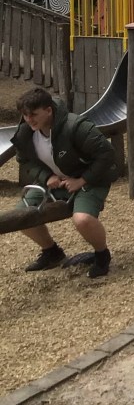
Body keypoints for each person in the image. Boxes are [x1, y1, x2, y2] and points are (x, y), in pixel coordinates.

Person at [11, 88, 118, 278]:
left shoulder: (75, 126)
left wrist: (82, 180)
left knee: (82, 220)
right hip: (55, 181)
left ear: (48, 110)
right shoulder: (25, 133)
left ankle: (102, 255)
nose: (29, 119)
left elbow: (107, 154)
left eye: (33, 114)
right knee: (21, 217)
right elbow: (24, 160)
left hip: (89, 179)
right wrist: (46, 177)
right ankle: (52, 252)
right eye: (25, 115)